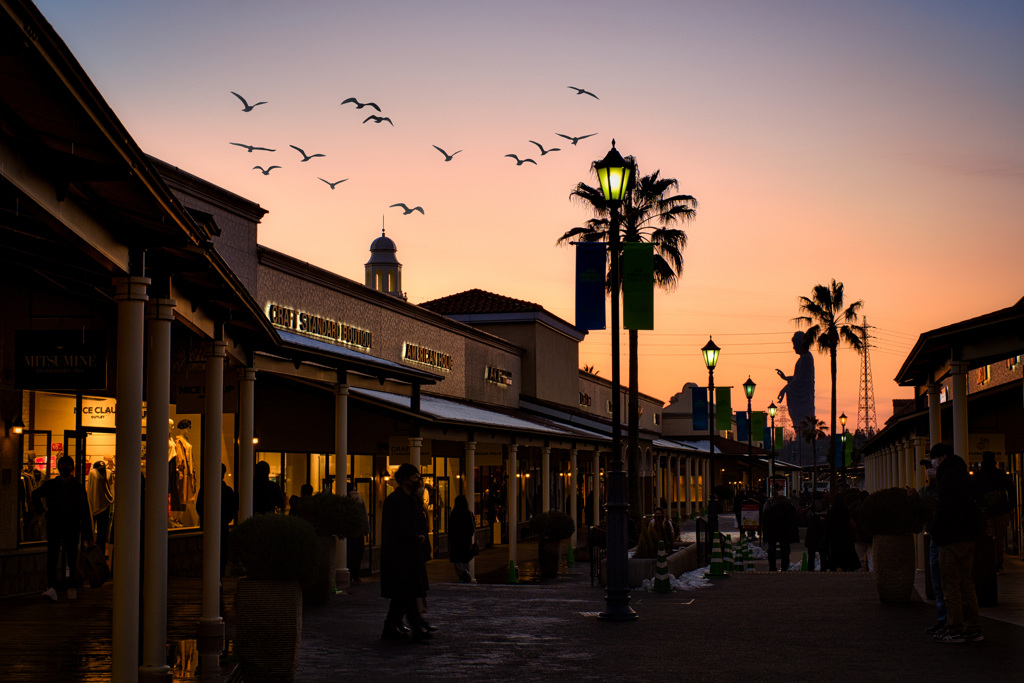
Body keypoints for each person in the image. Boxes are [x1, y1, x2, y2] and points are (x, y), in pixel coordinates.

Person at [929, 443, 983, 643]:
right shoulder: (964, 476)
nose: (932, 464)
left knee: (950, 584)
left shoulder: (947, 478)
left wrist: (935, 530)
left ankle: (955, 628)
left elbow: (945, 510)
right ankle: (974, 627)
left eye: (933, 459)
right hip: (968, 537)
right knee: (967, 583)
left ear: (941, 458)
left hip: (950, 538)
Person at [380, 463, 432, 641]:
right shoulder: (396, 501)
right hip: (400, 556)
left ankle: (395, 623)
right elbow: (398, 527)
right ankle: (414, 624)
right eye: (415, 477)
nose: (418, 481)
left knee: (403, 593)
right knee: (406, 591)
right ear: (404, 479)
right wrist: (416, 537)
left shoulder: (409, 500)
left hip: (409, 555)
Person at [31, 455, 94, 601]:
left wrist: (42, 512)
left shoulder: (53, 485)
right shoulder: (76, 487)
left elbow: (35, 494)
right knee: (66, 556)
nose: (64, 469)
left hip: (58, 525)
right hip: (68, 526)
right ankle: (67, 587)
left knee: (57, 556)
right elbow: (84, 512)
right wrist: (88, 535)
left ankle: (56, 587)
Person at [917, 458, 946, 634]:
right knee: (938, 581)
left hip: (942, 537)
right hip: (937, 536)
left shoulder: (942, 492)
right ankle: (945, 618)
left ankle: (949, 620)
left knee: (943, 581)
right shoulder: (926, 492)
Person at [974, 450, 1014, 571]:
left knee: (989, 536)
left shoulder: (978, 476)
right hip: (1002, 510)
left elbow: (974, 493)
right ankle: (999, 561)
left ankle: (990, 561)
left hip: (986, 511)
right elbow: (1011, 490)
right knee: (1000, 537)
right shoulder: (1001, 474)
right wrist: (1010, 506)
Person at [196, 463, 238, 578]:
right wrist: (227, 519)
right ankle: (219, 578)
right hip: (223, 527)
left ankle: (211, 578)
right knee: (222, 555)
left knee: (209, 554)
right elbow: (234, 508)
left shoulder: (205, 489)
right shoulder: (228, 491)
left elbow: (199, 507)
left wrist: (206, 519)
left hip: (209, 528)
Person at [776, 331, 815, 429]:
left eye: (794, 345)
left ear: (800, 344)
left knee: (804, 422)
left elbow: (800, 379)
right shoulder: (803, 358)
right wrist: (786, 378)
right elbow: (798, 377)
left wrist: (785, 389)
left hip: (804, 399)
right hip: (803, 397)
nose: (793, 348)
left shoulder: (806, 358)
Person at [761, 486, 799, 571]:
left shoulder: (783, 502)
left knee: (782, 549)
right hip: (777, 530)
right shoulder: (771, 502)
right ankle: (775, 567)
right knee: (775, 549)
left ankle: (781, 567)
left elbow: (764, 515)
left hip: (780, 530)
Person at [86, 460, 113, 556]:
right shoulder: (93, 473)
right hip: (94, 503)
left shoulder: (108, 472)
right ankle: (94, 554)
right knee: (93, 532)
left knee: (102, 533)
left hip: (105, 505)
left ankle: (100, 554)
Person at [448, 494, 476, 583]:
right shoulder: (469, 514)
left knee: (458, 562)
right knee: (465, 560)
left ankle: (463, 575)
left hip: (456, 542)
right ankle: (465, 574)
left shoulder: (454, 514)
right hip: (466, 541)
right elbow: (473, 528)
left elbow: (451, 529)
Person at [347, 488, 370, 583]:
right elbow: (365, 515)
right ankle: (355, 574)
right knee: (357, 554)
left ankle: (351, 574)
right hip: (359, 531)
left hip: (350, 532)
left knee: (350, 553)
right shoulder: (359, 499)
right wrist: (366, 530)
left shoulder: (346, 499)